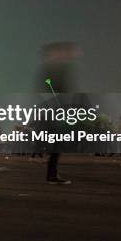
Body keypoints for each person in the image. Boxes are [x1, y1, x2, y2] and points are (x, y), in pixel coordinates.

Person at [38, 42, 81, 185]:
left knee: (57, 145)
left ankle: (52, 173)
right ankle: (51, 175)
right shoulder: (53, 69)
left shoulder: (55, 68)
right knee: (57, 145)